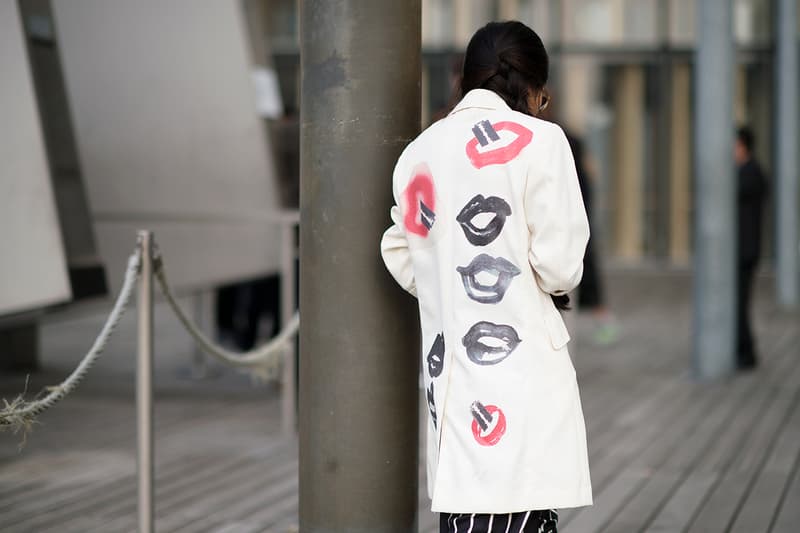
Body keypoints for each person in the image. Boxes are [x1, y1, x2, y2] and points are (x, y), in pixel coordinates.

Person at [380, 21, 592, 533]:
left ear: (468, 79)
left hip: (452, 375)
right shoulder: (544, 142)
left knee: (468, 508)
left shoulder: (421, 151)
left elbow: (397, 246)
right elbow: (561, 267)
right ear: (534, 88)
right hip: (523, 374)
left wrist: (443, 286)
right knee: (522, 506)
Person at [734, 126, 768, 370]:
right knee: (738, 303)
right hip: (744, 249)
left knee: (739, 303)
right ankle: (743, 350)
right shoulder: (749, 172)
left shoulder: (750, 173)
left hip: (744, 251)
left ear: (742, 146)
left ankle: (746, 352)